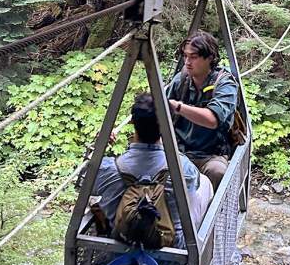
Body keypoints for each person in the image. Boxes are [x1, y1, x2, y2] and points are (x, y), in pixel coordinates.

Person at [91, 93, 213, 248]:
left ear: (133, 122)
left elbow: (83, 183)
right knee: (205, 182)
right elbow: (193, 187)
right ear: (165, 126)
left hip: (121, 252)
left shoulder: (107, 168)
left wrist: (98, 148)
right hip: (172, 257)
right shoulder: (182, 167)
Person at [166, 30, 239, 188]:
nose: (187, 62)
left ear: (210, 58)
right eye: (185, 56)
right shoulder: (182, 80)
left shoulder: (225, 84)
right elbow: (156, 105)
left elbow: (212, 120)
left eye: (194, 57)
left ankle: (211, 211)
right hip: (181, 151)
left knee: (217, 172)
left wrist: (178, 107)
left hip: (211, 155)